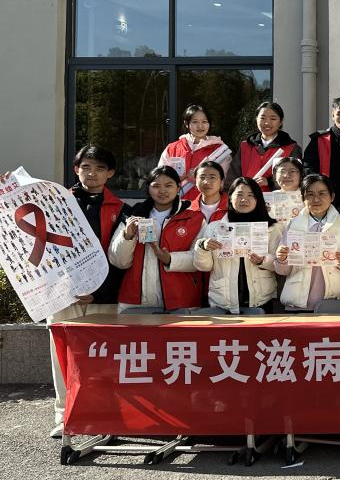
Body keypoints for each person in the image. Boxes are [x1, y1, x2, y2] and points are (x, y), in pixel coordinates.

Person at [46, 145, 126, 438]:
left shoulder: (121, 210)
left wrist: (98, 292)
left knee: (102, 359)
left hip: (102, 299)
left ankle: (105, 416)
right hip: (63, 295)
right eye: (86, 167)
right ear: (76, 169)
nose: (92, 174)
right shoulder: (55, 204)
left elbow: (121, 260)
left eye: (100, 168)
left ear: (110, 173)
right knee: (62, 357)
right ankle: (64, 415)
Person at [108, 166, 206, 313]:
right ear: (148, 188)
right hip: (136, 301)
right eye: (156, 186)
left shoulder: (194, 218)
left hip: (181, 299)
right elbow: (118, 261)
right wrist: (127, 236)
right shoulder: (132, 215)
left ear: (178, 187)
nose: (162, 191)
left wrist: (170, 259)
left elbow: (202, 258)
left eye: (168, 185)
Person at [193, 177, 283, 314]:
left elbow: (280, 265)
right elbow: (204, 267)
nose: (244, 199)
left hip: (262, 299)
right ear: (230, 198)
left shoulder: (272, 228)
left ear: (258, 199)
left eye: (250, 195)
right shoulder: (214, 228)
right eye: (239, 194)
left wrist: (263, 261)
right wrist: (203, 247)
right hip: (223, 301)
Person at [273, 174, 340, 311]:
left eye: (322, 193)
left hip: (335, 301)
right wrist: (281, 259)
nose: (316, 199)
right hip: (297, 302)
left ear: (332, 197)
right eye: (310, 194)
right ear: (302, 198)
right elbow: (283, 270)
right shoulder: (293, 225)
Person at [158, 104, 232, 200]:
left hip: (206, 204)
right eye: (195, 122)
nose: (200, 126)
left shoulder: (219, 151)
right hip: (176, 203)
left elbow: (224, 183)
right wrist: (184, 177)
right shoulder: (172, 148)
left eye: (204, 121)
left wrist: (201, 179)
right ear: (186, 123)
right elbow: (160, 178)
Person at [239, 101, 302, 191]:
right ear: (256, 119)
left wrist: (270, 182)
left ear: (281, 122)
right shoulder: (245, 146)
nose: (267, 123)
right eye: (262, 118)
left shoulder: (291, 147)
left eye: (273, 119)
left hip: (279, 197)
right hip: (248, 196)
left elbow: (297, 177)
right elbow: (233, 176)